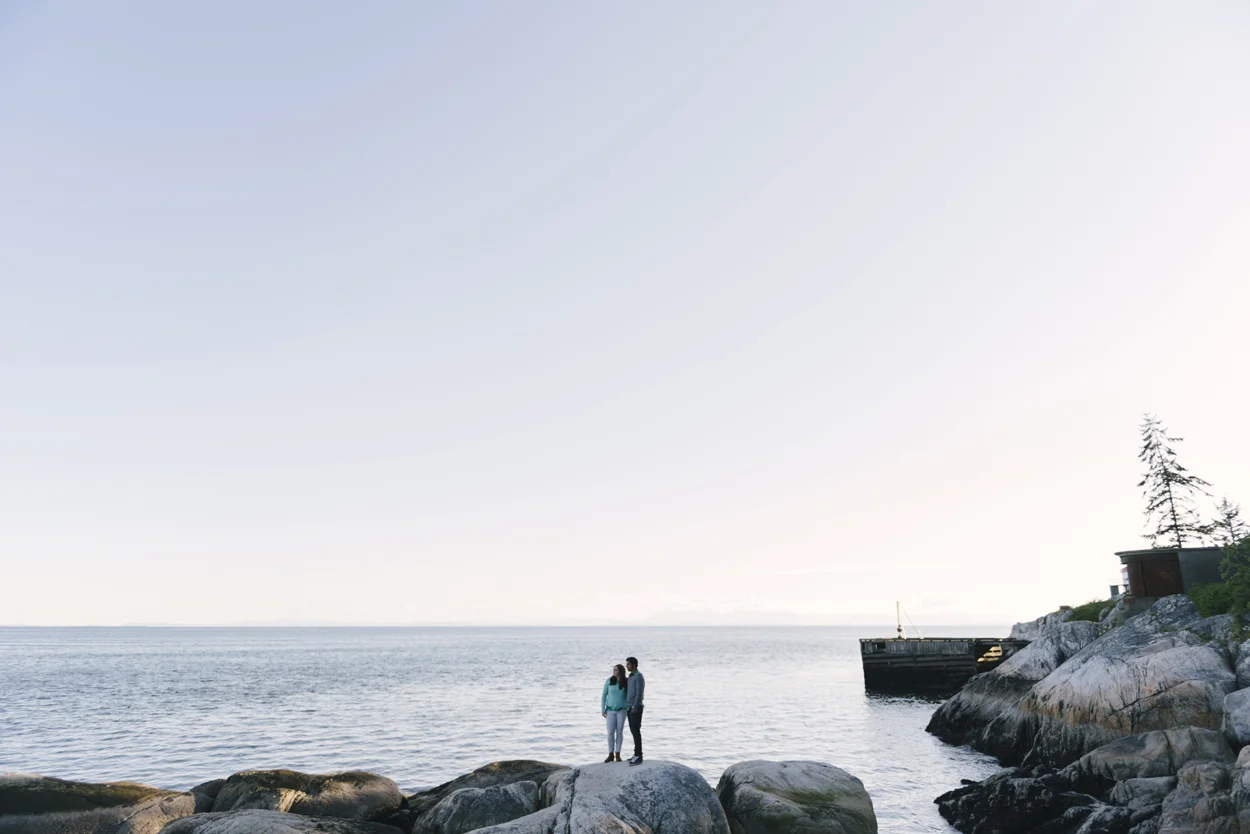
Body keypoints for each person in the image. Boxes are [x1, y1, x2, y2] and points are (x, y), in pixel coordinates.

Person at [600, 663, 628, 762]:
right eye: (613, 670)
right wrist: (603, 709)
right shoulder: (609, 681)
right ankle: (610, 754)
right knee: (610, 732)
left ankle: (618, 754)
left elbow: (629, 696)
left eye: (616, 670)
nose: (614, 672)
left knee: (619, 731)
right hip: (610, 710)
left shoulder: (626, 681)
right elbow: (604, 696)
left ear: (620, 671)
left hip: (622, 710)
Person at [624, 656, 645, 765]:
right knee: (633, 731)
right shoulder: (631, 676)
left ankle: (639, 755)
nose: (626, 666)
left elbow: (639, 693)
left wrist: (635, 706)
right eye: (626, 664)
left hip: (635, 708)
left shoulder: (638, 676)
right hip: (629, 708)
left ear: (634, 665)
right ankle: (635, 753)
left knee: (636, 731)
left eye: (628, 664)